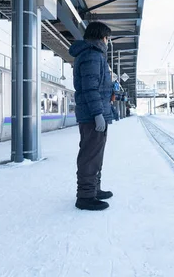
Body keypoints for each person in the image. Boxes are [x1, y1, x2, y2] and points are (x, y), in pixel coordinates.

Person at [68, 22, 114, 211]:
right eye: (107, 38)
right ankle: (85, 196)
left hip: (95, 113)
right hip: (92, 115)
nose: (108, 42)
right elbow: (90, 87)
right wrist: (97, 114)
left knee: (95, 153)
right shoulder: (92, 56)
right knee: (90, 155)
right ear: (102, 37)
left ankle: (94, 189)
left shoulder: (94, 56)